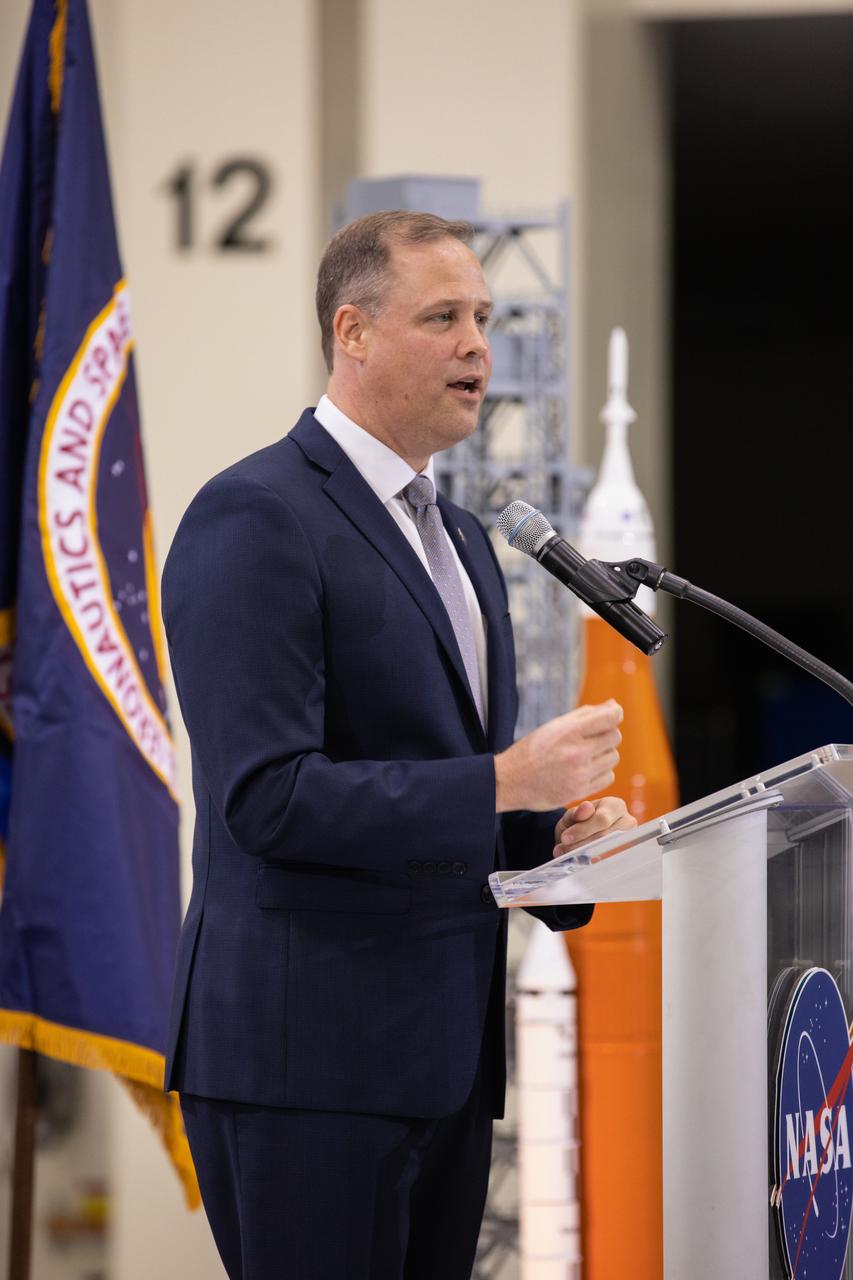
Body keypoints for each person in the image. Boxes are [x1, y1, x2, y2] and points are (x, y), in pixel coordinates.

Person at [162, 210, 635, 1280]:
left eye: (485, 317)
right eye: (443, 318)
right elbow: (268, 798)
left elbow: (450, 784)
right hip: (306, 1066)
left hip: (445, 1062)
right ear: (353, 331)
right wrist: (504, 778)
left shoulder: (464, 537)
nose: (478, 346)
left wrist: (556, 837)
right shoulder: (256, 515)